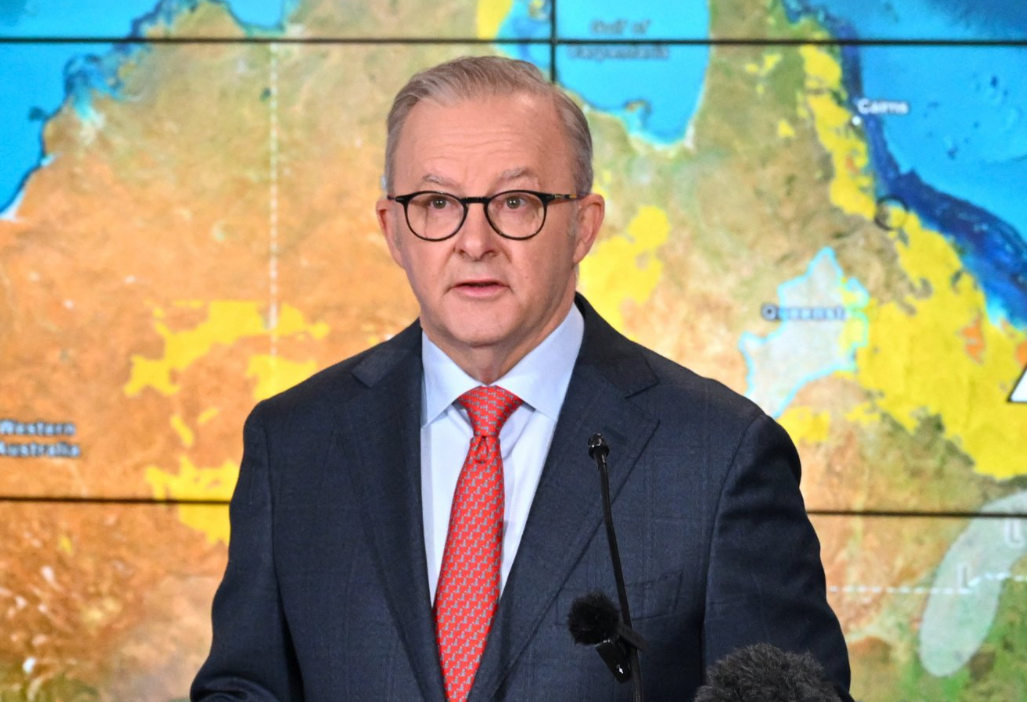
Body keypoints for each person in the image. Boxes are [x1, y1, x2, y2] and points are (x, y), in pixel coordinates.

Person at [191, 55, 851, 702]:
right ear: (394, 231)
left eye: (515, 201)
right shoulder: (294, 443)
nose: (474, 241)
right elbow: (245, 688)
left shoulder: (719, 456)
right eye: (436, 202)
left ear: (581, 227)